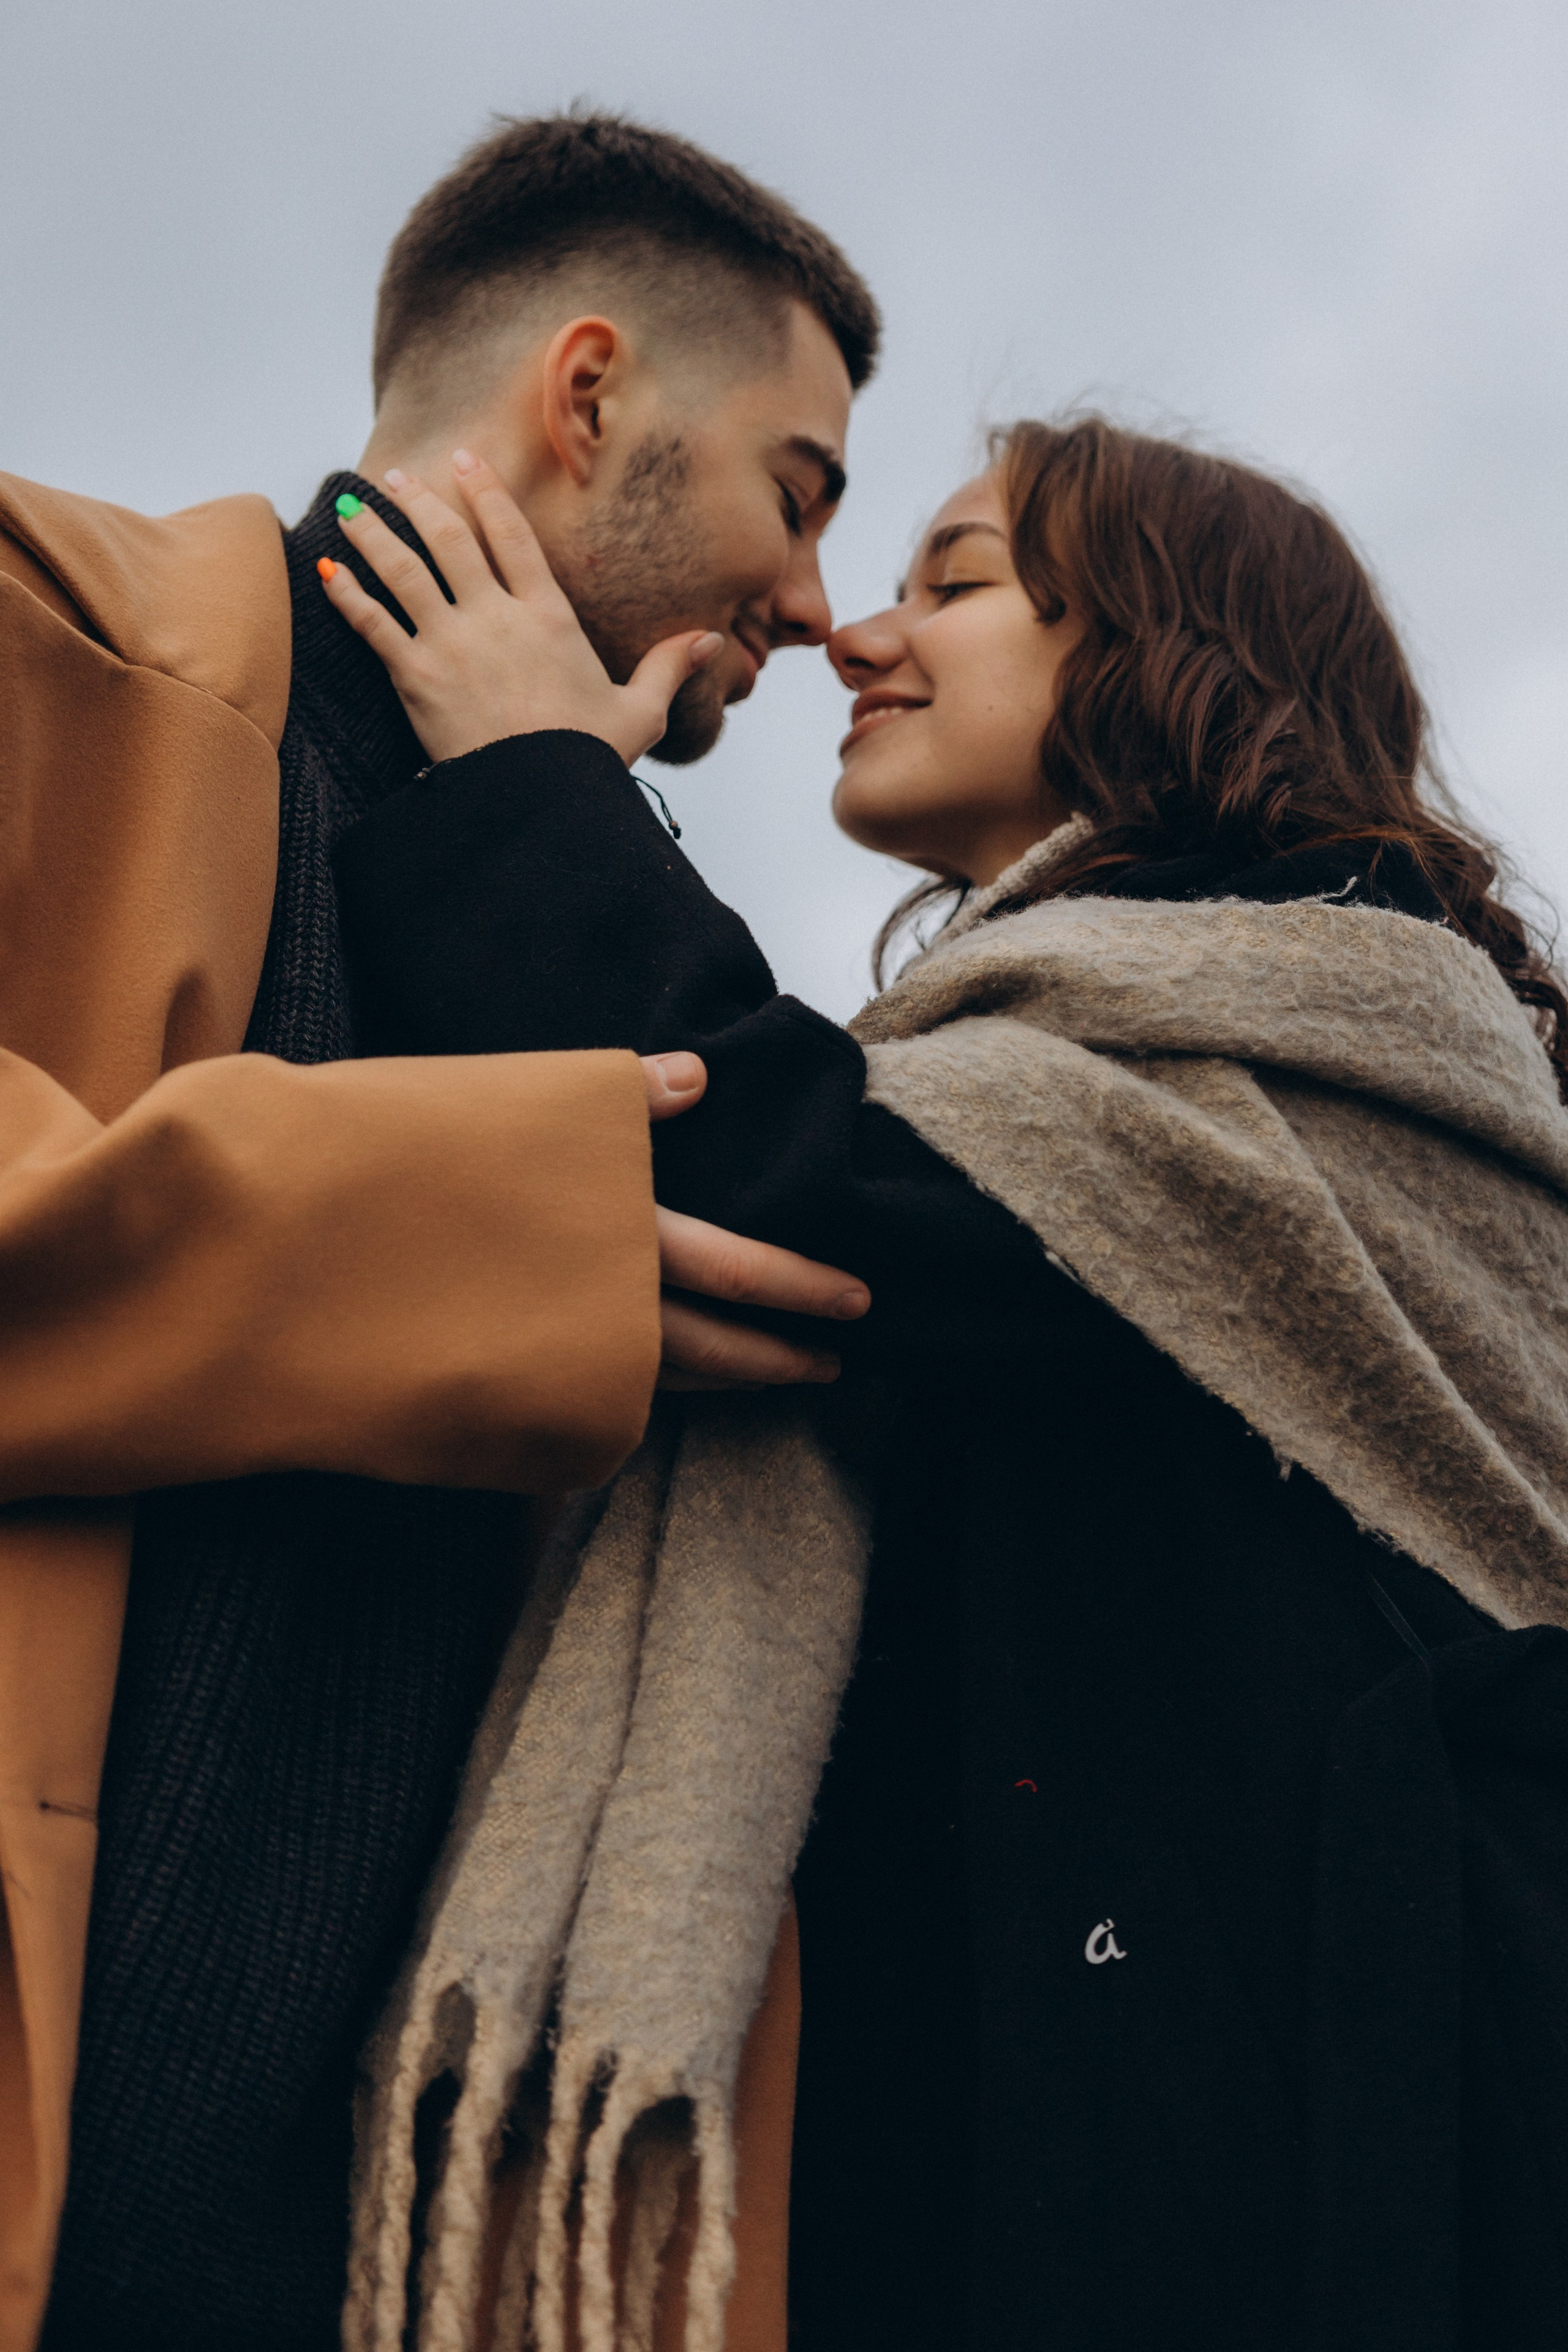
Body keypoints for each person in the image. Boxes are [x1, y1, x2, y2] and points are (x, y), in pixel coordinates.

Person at [332, 415, 1568, 2350]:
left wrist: (528, 777)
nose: (860, 634)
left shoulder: (1344, 1018)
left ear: (1165, 643)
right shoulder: (1078, 1043)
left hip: (1287, 2154)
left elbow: (797, 1193)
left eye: (957, 580)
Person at [0, 112, 883, 2352]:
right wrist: (444, 1243)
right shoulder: (39, 628)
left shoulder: (606, 940)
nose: (821, 606)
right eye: (802, 486)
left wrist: (550, 830)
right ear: (587, 398)